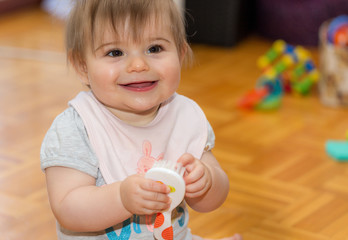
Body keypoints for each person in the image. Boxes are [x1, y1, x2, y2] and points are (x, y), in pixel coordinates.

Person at [40, 0, 242, 239]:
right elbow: (67, 208)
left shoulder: (184, 117)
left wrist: (206, 182)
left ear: (180, 53)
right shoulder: (78, 127)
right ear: (82, 66)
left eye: (154, 48)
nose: (138, 64)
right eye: (115, 52)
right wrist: (121, 199)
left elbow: (210, 202)